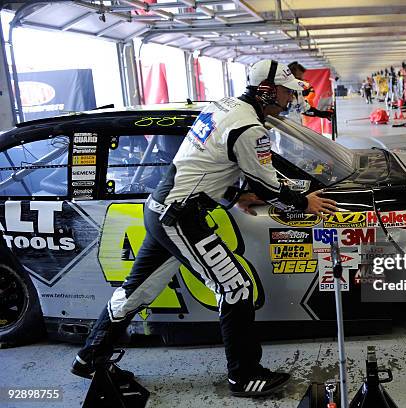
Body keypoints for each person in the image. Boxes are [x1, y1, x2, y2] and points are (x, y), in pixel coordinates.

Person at [71, 59, 338, 397]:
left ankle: (88, 358)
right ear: (267, 90)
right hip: (180, 217)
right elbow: (270, 185)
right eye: (286, 92)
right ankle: (244, 376)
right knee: (236, 288)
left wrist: (239, 193)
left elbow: (208, 162)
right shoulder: (250, 129)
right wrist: (304, 202)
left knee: (135, 293)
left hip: (161, 208)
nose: (290, 100)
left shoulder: (225, 106)